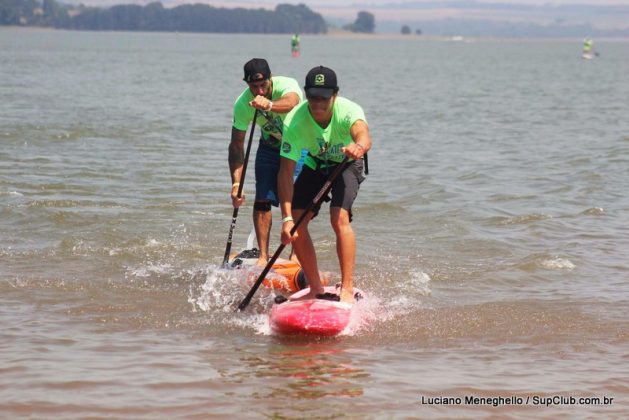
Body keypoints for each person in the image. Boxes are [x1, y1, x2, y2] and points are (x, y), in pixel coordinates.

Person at [277, 66, 372, 303]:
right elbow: (285, 172)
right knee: (297, 223)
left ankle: (347, 287)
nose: (318, 102)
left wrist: (358, 147)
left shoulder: (349, 111)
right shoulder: (294, 121)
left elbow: (363, 135)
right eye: (312, 96)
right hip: (316, 163)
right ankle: (315, 287)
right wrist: (286, 218)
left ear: (335, 95)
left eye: (324, 97)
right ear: (306, 94)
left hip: (347, 162)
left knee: (338, 218)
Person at [229, 58, 302, 266]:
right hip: (269, 148)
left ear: (271, 78)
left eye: (264, 85)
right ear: (247, 84)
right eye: (254, 87)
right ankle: (262, 257)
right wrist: (236, 184)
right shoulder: (243, 104)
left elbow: (293, 101)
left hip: (297, 146)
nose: (259, 91)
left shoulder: (286, 85)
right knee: (262, 199)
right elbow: (236, 146)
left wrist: (268, 105)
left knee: (296, 200)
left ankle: (296, 255)